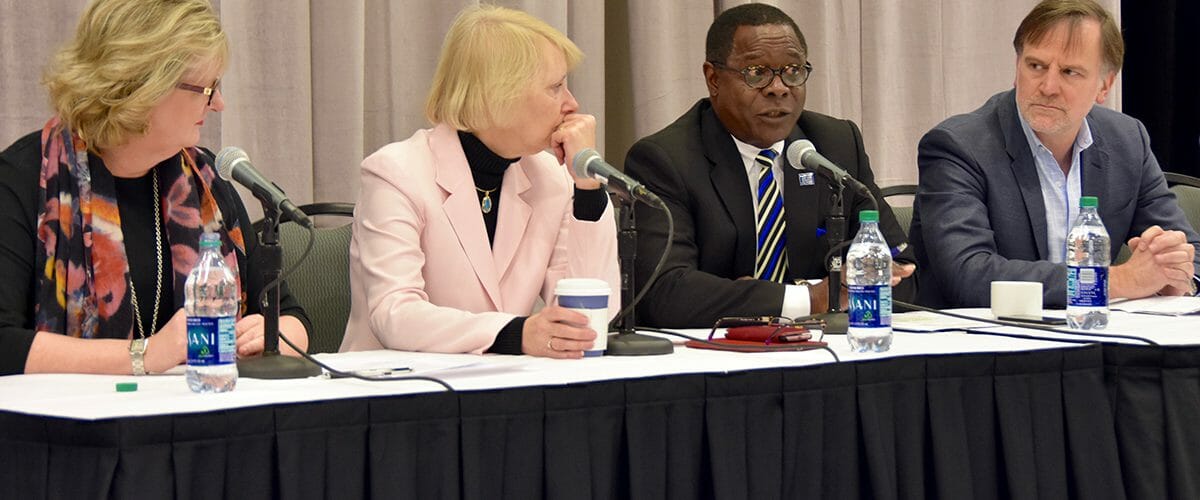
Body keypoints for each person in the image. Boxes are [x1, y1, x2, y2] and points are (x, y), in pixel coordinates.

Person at [0, 0, 311, 376]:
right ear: (145, 86)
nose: (219, 104)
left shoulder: (206, 183)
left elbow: (290, 315)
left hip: (196, 408)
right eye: (207, 89)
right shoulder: (24, 179)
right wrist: (143, 355)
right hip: (66, 413)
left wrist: (271, 335)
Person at [339, 5, 620, 359]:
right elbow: (394, 313)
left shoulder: (552, 178)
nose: (572, 103)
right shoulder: (396, 173)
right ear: (497, 94)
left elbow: (591, 320)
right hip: (397, 384)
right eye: (556, 87)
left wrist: (587, 187)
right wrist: (514, 334)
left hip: (506, 383)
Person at [624, 3, 915, 328]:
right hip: (718, 352)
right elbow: (664, 293)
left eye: (793, 71)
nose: (779, 88)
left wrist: (825, 293)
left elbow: (902, 271)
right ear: (713, 79)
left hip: (824, 347)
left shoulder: (835, 146)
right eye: (756, 73)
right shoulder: (665, 160)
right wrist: (811, 298)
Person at [911, 0, 1200, 308]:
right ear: (1017, 67)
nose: (1048, 86)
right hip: (985, 335)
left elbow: (1189, 250)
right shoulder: (958, 147)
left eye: (1069, 72)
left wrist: (1176, 277)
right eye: (1036, 66)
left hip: (1096, 332)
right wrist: (1119, 280)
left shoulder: (1126, 140)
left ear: (1105, 85)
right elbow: (969, 276)